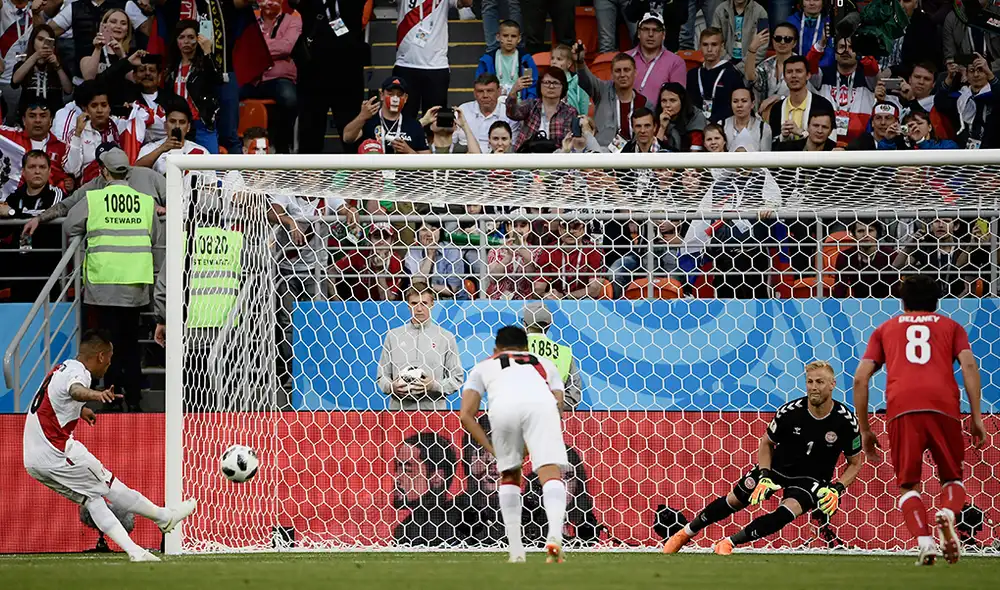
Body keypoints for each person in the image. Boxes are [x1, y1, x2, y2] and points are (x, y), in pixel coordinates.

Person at [22, 329, 197, 562]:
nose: (109, 365)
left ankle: (135, 552)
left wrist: (80, 411)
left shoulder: (61, 368)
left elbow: (54, 399)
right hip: (57, 452)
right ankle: (163, 518)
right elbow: (75, 391)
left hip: (32, 460)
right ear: (102, 356)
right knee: (110, 486)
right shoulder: (80, 374)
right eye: (110, 359)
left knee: (91, 498)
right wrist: (97, 395)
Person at [664, 361, 864, 555]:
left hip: (811, 479)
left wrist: (837, 489)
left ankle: (728, 542)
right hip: (777, 468)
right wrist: (765, 474)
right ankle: (685, 532)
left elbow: (855, 463)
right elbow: (766, 443)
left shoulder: (846, 421)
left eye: (819, 382)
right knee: (735, 500)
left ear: (832, 384)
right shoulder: (789, 412)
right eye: (809, 382)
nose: (813, 387)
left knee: (786, 513)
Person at [853, 275, 986, 565]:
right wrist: (976, 416)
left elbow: (860, 379)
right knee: (952, 477)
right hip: (943, 405)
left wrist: (865, 430)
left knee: (908, 485)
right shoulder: (952, 327)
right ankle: (949, 514)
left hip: (902, 407)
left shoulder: (884, 329)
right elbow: (969, 365)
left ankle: (925, 543)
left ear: (902, 301)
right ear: (938, 301)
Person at [63, 145, 162, 412]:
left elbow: (69, 224)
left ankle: (113, 399)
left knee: (107, 346)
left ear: (104, 171)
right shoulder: (145, 202)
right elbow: (156, 238)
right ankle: (134, 399)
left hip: (103, 285)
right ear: (127, 172)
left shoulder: (94, 200)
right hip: (135, 285)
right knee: (129, 345)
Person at [460, 325, 569, 563]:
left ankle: (516, 549)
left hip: (504, 408)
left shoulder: (484, 365)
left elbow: (466, 414)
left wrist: (493, 450)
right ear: (526, 347)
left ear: (496, 348)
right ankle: (554, 536)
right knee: (550, 471)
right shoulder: (544, 363)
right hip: (543, 405)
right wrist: (534, 444)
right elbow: (559, 403)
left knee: (510, 475)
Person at [289, 0, 366, 154]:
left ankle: (357, 175)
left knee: (351, 127)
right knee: (310, 130)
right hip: (312, 71)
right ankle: (309, 175)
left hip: (347, 71)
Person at [376, 285, 464, 410]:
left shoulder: (445, 337)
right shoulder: (393, 336)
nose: (419, 309)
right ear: (408, 306)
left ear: (432, 305)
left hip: (434, 412)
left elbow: (457, 378)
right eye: (414, 303)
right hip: (399, 412)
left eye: (424, 303)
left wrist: (433, 386)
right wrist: (392, 387)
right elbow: (382, 376)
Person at [393, 0, 473, 120]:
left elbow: (467, 2)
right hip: (405, 64)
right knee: (403, 121)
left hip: (436, 66)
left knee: (435, 124)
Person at [241, 0, 300, 154]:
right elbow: (244, 47)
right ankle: (238, 146)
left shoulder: (293, 19)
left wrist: (258, 48)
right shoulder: (249, 18)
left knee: (289, 99)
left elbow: (286, 47)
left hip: (279, 78)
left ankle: (282, 146)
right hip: (251, 78)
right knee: (227, 94)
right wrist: (272, 46)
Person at [807, 34, 878, 147]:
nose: (846, 51)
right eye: (841, 47)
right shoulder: (822, 75)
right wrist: (822, 43)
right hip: (827, 142)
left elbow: (873, 67)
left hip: (859, 145)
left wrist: (862, 49)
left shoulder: (867, 76)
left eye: (851, 47)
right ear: (835, 54)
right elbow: (809, 64)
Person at [391, 431, 461, 546]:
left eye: (407, 470)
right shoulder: (404, 530)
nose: (397, 478)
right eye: (397, 468)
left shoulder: (458, 524)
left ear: (437, 477)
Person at [164, 19, 220, 153]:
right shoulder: (171, 68)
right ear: (176, 41)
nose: (186, 41)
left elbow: (216, 80)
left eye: (191, 37)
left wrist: (208, 52)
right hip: (178, 124)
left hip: (201, 123)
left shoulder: (204, 65)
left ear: (198, 39)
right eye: (181, 37)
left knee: (211, 166)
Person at [575, 45, 647, 149]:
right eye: (618, 71)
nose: (622, 75)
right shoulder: (602, 90)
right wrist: (580, 62)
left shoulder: (644, 102)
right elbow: (585, 81)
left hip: (634, 157)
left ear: (635, 73)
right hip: (602, 155)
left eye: (627, 70)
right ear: (612, 74)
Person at [0, 99, 75, 191]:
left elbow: (67, 178)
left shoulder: (62, 147)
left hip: (47, 202)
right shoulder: (8, 137)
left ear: (51, 120)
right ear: (24, 120)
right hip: (9, 200)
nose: (38, 120)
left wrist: (67, 183)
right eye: (32, 116)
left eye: (43, 116)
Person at [343, 76, 430, 154]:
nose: (395, 99)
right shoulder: (369, 119)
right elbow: (347, 138)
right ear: (382, 95)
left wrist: (409, 151)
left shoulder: (414, 125)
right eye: (390, 94)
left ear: (406, 98)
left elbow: (428, 163)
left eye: (399, 95)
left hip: (402, 171)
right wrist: (362, 117)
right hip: (374, 171)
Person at [522, 302, 583, 409]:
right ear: (549, 324)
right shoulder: (564, 353)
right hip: (551, 419)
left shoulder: (512, 350)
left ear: (524, 324)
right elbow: (573, 398)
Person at [505, 67, 579, 152]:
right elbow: (511, 113)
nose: (551, 86)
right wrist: (513, 91)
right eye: (547, 82)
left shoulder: (570, 112)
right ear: (540, 85)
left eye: (555, 83)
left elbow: (568, 140)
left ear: (563, 87)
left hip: (556, 159)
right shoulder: (531, 104)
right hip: (526, 157)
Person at [935, 53, 998, 150]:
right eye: (972, 71)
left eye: (980, 70)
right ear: (967, 76)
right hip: (963, 154)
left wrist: (990, 74)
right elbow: (939, 103)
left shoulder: (994, 96)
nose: (976, 75)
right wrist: (950, 78)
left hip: (993, 154)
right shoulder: (960, 99)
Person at [767, 55, 834, 144]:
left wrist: (801, 133)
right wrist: (782, 136)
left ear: (808, 75)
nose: (794, 75)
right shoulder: (777, 108)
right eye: (789, 72)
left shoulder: (823, 105)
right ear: (785, 77)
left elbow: (831, 142)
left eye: (799, 71)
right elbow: (772, 145)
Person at [626, 12, 687, 105]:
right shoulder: (625, 58)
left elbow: (677, 100)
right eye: (646, 29)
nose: (650, 34)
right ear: (638, 33)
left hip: (659, 117)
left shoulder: (676, 62)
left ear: (663, 35)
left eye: (656, 30)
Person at [686, 28, 744, 123]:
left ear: (722, 46)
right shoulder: (692, 74)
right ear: (699, 46)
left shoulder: (731, 73)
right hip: (697, 126)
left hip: (724, 127)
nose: (709, 49)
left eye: (714, 44)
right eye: (705, 45)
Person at [832, 220, 896, 298]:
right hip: (859, 305)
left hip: (887, 304)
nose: (866, 235)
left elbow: (895, 290)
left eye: (870, 230)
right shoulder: (846, 256)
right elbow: (840, 289)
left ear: (877, 233)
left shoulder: (890, 255)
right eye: (861, 231)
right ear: (853, 234)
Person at [475, 20, 538, 99]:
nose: (509, 39)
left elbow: (531, 86)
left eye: (513, 36)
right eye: (505, 35)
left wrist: (527, 105)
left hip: (520, 105)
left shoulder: (526, 60)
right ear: (498, 37)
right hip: (494, 106)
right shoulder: (487, 60)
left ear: (519, 39)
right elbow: (479, 84)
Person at [453, 74, 516, 153]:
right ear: (475, 93)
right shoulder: (463, 110)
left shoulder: (509, 113)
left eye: (490, 91)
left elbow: (513, 146)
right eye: (480, 91)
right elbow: (452, 141)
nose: (485, 95)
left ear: (499, 92)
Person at [11, 24, 72, 104]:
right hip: (29, 111)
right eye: (40, 39)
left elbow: (68, 90)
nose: (44, 44)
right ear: (33, 41)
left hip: (53, 112)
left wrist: (57, 66)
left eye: (48, 41)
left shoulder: (60, 63)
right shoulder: (23, 64)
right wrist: (35, 56)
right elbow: (15, 82)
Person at [744, 22, 795, 109]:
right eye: (778, 38)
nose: (782, 42)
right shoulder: (766, 65)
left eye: (787, 39)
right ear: (772, 40)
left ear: (795, 43)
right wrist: (752, 49)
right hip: (765, 117)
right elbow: (750, 77)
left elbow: (805, 95)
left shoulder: (801, 66)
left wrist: (780, 98)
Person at [710, 0, 768, 71]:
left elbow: (763, 46)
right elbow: (715, 41)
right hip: (724, 64)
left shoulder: (760, 12)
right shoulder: (720, 10)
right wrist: (729, 64)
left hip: (750, 67)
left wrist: (741, 68)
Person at [80, 7, 132, 81]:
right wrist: (98, 49)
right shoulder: (90, 50)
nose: (118, 26)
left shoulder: (133, 53)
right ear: (103, 25)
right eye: (113, 22)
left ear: (127, 30)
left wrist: (122, 57)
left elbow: (133, 81)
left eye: (123, 23)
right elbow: (89, 78)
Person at [877, 107, 959, 150]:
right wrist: (888, 141)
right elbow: (882, 168)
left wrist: (921, 141)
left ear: (930, 127)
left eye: (919, 123)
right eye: (909, 125)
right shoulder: (899, 147)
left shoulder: (947, 145)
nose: (915, 127)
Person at [656, 82, 707, 150]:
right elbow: (654, 151)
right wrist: (662, 128)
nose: (667, 105)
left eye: (672, 100)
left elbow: (695, 152)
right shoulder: (657, 117)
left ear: (682, 101)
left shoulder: (695, 117)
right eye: (664, 101)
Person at [723, 86, 771, 151]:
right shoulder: (722, 125)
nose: (739, 105)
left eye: (744, 101)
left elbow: (766, 157)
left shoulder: (763, 128)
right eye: (735, 101)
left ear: (752, 104)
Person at [550, 44, 589, 117]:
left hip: (573, 120)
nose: (554, 62)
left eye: (559, 59)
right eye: (552, 58)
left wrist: (584, 117)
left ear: (569, 64)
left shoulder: (576, 80)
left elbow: (583, 100)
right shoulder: (546, 80)